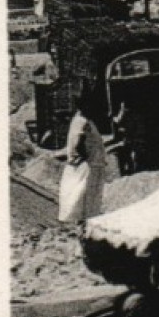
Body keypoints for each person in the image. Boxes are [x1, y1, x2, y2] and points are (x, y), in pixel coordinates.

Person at [59, 96, 111, 224]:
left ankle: (86, 221)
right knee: (84, 196)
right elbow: (78, 140)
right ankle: (84, 222)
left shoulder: (84, 120)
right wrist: (85, 157)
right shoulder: (81, 121)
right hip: (88, 164)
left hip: (93, 163)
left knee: (89, 196)